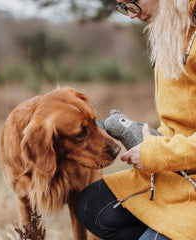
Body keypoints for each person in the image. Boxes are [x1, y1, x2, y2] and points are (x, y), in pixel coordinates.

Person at [74, 0, 196, 239]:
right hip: (176, 170)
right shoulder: (170, 32)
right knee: (92, 205)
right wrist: (147, 140)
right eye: (123, 6)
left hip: (187, 171)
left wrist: (155, 154)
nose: (131, 15)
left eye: (134, 3)